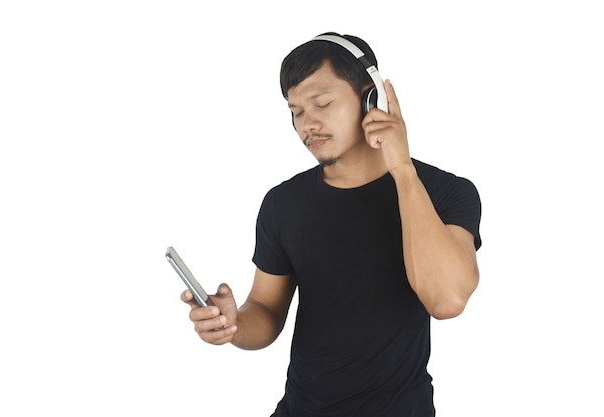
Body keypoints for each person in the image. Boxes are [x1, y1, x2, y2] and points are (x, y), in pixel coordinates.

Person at [181, 32, 482, 416]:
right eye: (296, 111)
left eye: (322, 103)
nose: (309, 123)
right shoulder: (282, 204)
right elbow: (266, 310)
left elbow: (447, 300)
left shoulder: (445, 192)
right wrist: (234, 323)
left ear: (370, 98)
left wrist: (402, 169)